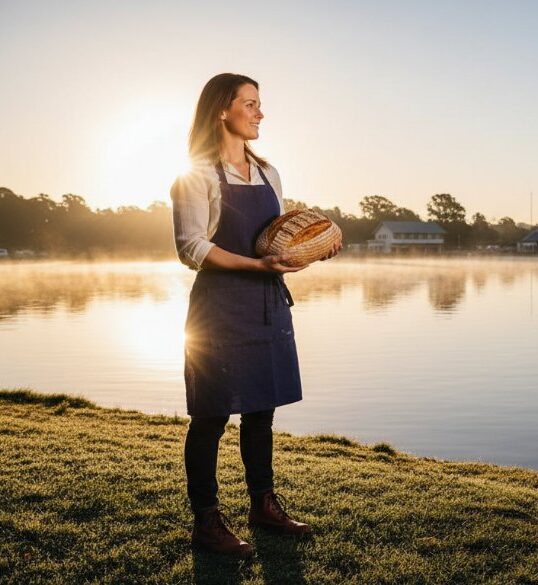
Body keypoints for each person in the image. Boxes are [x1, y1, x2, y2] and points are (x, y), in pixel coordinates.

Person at [170, 73, 340, 557]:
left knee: (261, 410)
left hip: (267, 302)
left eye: (260, 103)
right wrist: (258, 266)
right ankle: (206, 522)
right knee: (211, 416)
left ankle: (263, 506)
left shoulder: (269, 174)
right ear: (223, 109)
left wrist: (312, 248)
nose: (260, 112)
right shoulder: (195, 174)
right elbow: (192, 247)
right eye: (251, 103)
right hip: (219, 307)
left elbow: (279, 240)